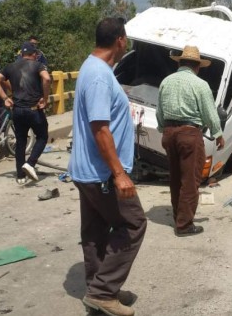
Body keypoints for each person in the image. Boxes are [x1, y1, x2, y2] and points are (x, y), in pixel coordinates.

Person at [68, 18, 146, 316]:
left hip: (86, 170)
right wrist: (119, 173)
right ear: (121, 41)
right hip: (101, 173)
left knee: (95, 231)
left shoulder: (91, 67)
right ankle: (102, 291)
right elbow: (100, 128)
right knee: (134, 223)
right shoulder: (100, 76)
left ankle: (98, 289)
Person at [156, 45, 225, 237]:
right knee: (191, 180)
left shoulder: (166, 82)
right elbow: (210, 113)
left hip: (169, 133)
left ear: (181, 63)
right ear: (197, 66)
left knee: (176, 177)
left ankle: (179, 215)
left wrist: (165, 130)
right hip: (190, 134)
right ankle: (184, 224)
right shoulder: (200, 85)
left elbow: (159, 112)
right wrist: (218, 134)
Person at [0, 42, 50, 185]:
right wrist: (45, 99)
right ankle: (30, 163)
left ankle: (20, 175)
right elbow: (47, 78)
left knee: (21, 141)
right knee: (42, 136)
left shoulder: (10, 67)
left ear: (21, 54)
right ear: (34, 54)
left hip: (17, 110)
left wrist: (5, 98)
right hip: (34, 109)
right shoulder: (38, 65)